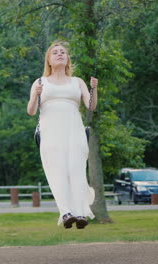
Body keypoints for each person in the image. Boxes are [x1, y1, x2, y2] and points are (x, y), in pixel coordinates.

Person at [27, 40, 98, 229]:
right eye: (55, 52)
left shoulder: (78, 82)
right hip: (51, 133)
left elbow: (91, 106)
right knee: (57, 172)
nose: (60, 54)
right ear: (48, 61)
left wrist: (94, 88)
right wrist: (35, 95)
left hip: (74, 131)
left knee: (76, 171)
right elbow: (31, 111)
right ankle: (66, 213)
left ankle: (81, 213)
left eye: (63, 53)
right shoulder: (40, 82)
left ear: (67, 60)